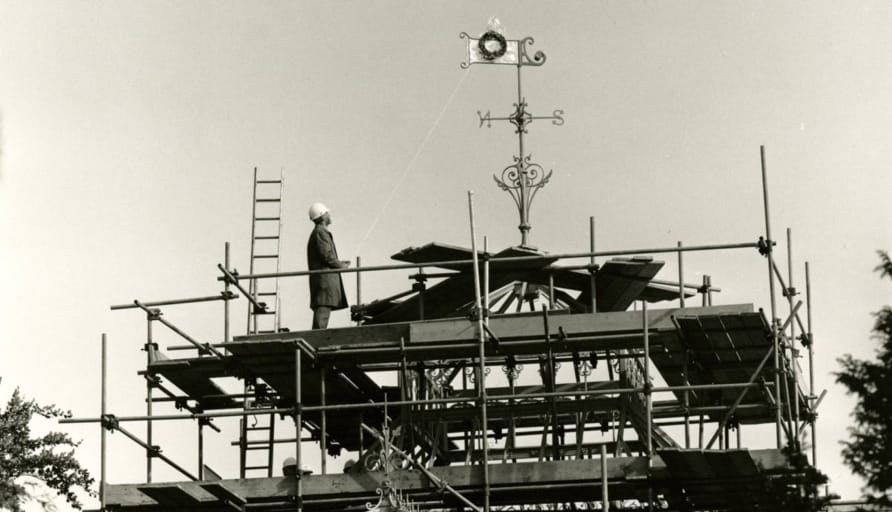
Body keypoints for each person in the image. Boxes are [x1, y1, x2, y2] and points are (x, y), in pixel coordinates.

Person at [306, 202, 349, 329]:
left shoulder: (320, 232)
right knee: (322, 313)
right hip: (324, 282)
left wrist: (340, 263)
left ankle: (316, 341)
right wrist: (341, 265)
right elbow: (327, 256)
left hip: (323, 281)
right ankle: (316, 342)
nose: (330, 215)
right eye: (327, 213)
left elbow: (326, 256)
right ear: (323, 216)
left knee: (323, 313)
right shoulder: (320, 232)